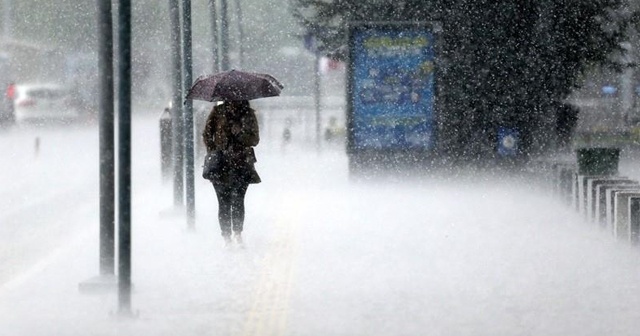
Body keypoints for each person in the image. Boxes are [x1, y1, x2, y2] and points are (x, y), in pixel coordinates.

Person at [202, 100, 261, 246]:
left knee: (238, 200)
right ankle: (226, 236)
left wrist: (240, 134)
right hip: (220, 164)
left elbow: (255, 140)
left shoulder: (248, 114)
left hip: (241, 163)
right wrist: (214, 151)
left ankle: (237, 233)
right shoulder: (218, 112)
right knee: (223, 201)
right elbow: (207, 134)